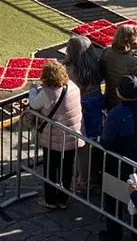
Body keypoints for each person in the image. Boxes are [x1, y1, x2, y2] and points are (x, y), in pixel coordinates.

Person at [99, 75, 137, 241]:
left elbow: (106, 142)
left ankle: (114, 234)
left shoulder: (116, 114)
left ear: (120, 93)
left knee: (113, 200)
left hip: (120, 163)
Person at [26, 59, 83, 210]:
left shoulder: (47, 93)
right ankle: (63, 200)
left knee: (51, 169)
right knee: (67, 168)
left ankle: (50, 200)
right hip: (72, 136)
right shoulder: (73, 87)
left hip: (52, 138)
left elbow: (34, 104)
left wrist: (32, 89)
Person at [64, 35, 104, 192]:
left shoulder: (71, 69)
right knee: (90, 143)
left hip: (81, 106)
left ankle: (84, 181)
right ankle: (87, 177)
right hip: (95, 104)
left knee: (82, 146)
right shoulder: (96, 64)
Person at [100, 24, 137, 109]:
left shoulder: (106, 52)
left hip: (109, 98)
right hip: (126, 104)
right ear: (130, 42)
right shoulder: (135, 62)